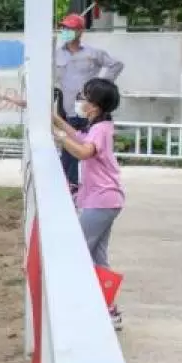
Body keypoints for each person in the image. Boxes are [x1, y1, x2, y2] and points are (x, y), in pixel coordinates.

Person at [53, 78, 125, 330]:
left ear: (94, 105)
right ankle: (109, 309)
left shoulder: (102, 129)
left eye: (84, 97)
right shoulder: (99, 125)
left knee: (79, 252)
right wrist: (55, 119)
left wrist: (60, 137)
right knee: (97, 257)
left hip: (102, 200)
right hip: (106, 200)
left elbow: (84, 152)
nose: (81, 101)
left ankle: (80, 307)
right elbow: (79, 137)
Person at [54, 14, 123, 193]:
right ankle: (70, 187)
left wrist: (100, 89)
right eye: (64, 28)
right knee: (68, 153)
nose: (66, 32)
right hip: (69, 109)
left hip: (88, 112)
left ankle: (88, 188)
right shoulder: (56, 55)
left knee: (89, 152)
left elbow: (116, 65)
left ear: (80, 31)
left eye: (70, 28)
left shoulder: (93, 54)